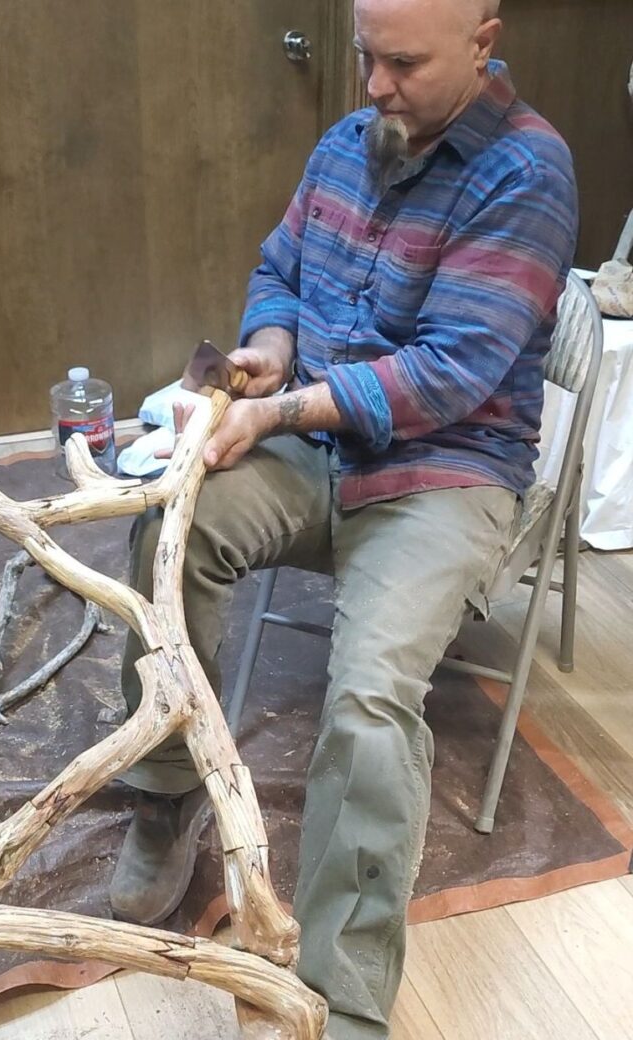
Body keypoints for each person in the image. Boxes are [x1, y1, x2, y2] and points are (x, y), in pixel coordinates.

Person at [110, 0, 578, 1035]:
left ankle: (343, 993)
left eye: (402, 63)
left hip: (443, 472)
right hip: (323, 445)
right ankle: (167, 789)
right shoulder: (349, 141)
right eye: (368, 55)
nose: (374, 85)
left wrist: (279, 410)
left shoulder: (528, 173)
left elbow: (446, 375)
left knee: (368, 698)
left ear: (484, 42)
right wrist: (270, 348)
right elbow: (280, 269)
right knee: (168, 537)